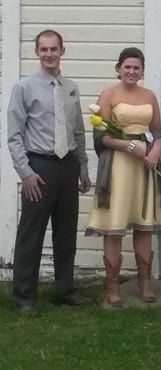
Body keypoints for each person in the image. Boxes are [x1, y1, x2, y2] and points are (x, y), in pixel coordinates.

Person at [6, 30, 92, 316]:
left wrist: (82, 166)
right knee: (31, 234)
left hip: (68, 166)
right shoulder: (24, 87)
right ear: (37, 52)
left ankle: (64, 289)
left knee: (66, 231)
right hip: (39, 168)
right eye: (44, 49)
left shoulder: (71, 88)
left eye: (54, 49)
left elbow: (78, 131)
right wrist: (25, 172)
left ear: (62, 51)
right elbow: (14, 135)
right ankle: (24, 297)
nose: (49, 54)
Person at [86, 47, 161, 306]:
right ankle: (113, 286)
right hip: (118, 165)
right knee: (115, 226)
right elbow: (101, 136)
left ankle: (145, 283)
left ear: (142, 70)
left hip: (145, 165)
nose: (132, 71)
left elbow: (158, 131)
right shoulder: (108, 95)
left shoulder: (149, 96)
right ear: (119, 69)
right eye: (127, 67)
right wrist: (129, 146)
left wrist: (155, 150)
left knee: (143, 225)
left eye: (136, 67)